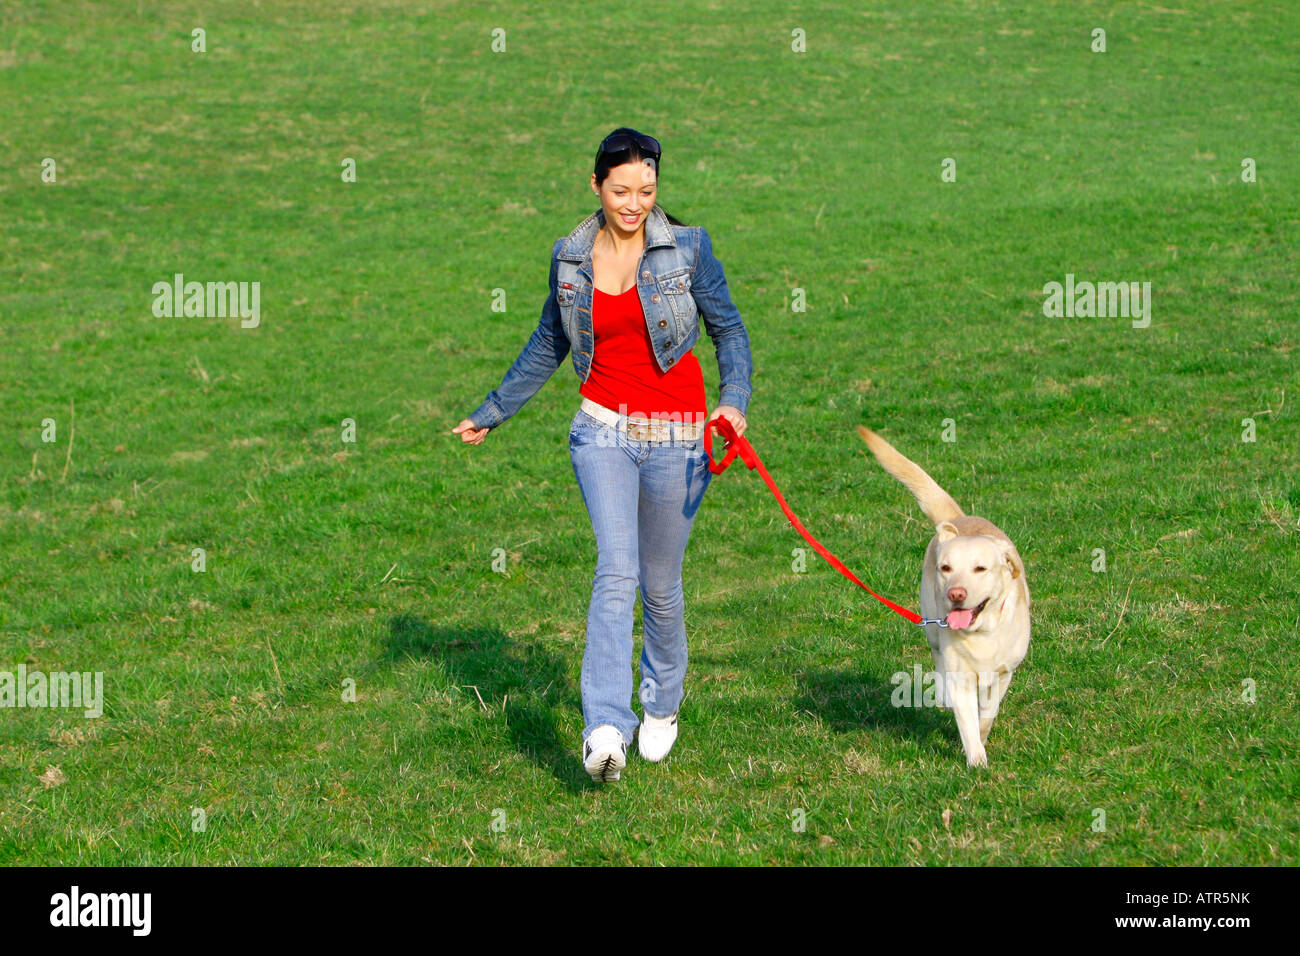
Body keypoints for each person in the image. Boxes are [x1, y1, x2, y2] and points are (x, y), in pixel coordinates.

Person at [453, 128, 754, 783]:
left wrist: (733, 401)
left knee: (661, 587)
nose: (635, 203)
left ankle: (663, 705)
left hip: (678, 435)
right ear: (596, 185)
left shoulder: (689, 250)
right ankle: (606, 729)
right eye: (621, 190)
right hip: (603, 433)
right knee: (616, 572)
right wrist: (492, 410)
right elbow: (547, 344)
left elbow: (729, 330)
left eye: (647, 190)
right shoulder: (571, 258)